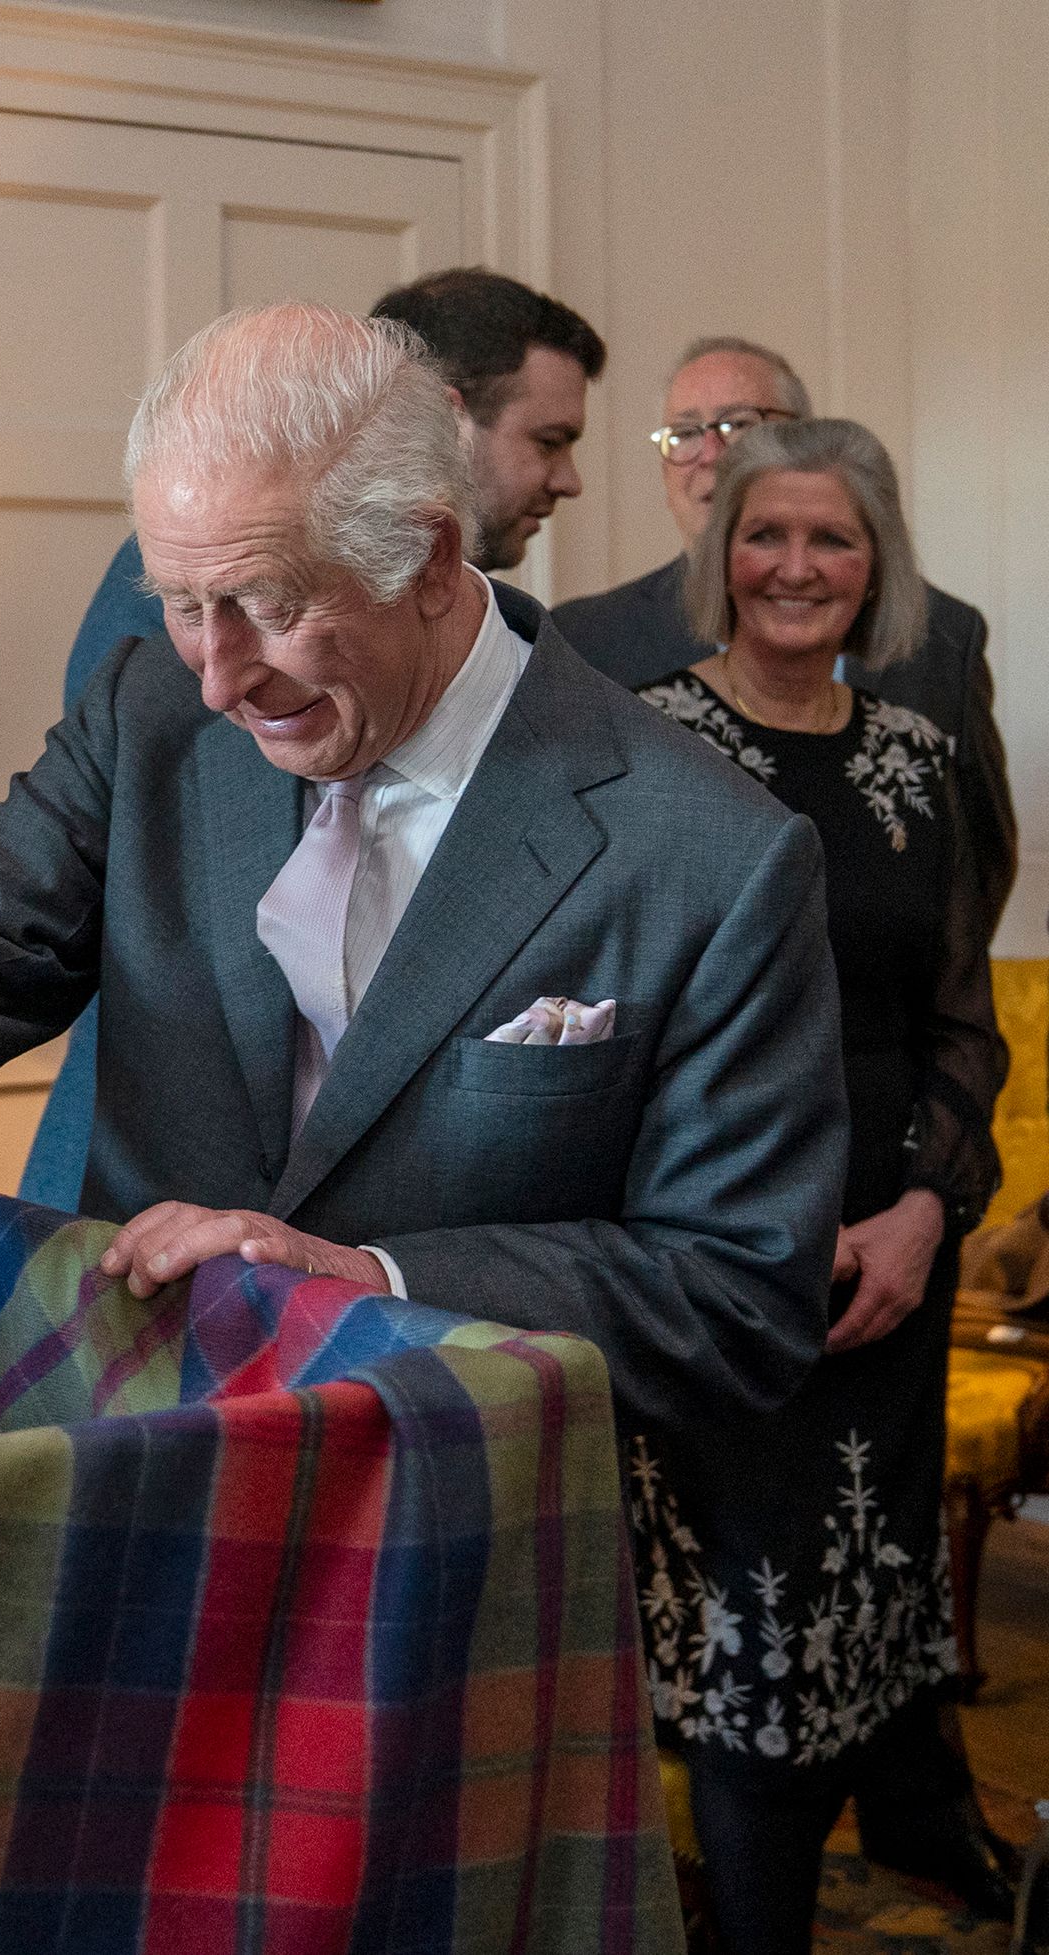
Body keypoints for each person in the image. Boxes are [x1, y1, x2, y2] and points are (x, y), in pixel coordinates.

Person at [0, 301, 844, 1458]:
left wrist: (373, 1285)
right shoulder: (153, 712)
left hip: (448, 1535)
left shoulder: (712, 853)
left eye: (268, 606)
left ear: (429, 557)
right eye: (180, 603)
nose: (218, 677)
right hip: (121, 1462)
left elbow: (734, 1298)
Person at [630, 418, 1011, 1946]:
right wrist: (728, 1237)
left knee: (874, 1579)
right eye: (765, 534)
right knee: (753, 1613)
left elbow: (961, 1025)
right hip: (710, 1255)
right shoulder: (637, 739)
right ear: (718, 555)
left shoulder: (922, 761)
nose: (796, 566)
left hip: (894, 1255)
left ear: (878, 567)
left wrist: (926, 1211)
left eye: (831, 539)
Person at [23, 267, 605, 1208]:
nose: (566, 479)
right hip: (139, 1194)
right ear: (447, 425)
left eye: (274, 605)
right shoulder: (189, 620)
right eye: (548, 439)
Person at [552, 337, 1015, 940]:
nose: (709, 454)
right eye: (683, 433)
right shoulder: (584, 641)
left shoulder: (944, 635)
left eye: (737, 425)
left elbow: (974, 870)